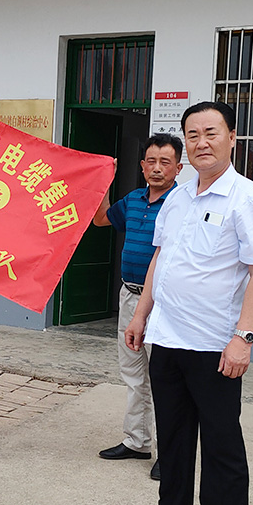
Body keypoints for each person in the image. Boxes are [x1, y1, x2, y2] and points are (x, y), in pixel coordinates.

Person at [122, 102, 253, 505]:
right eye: (193, 135)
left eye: (211, 132)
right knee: (172, 441)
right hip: (166, 339)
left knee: (221, 446)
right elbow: (160, 259)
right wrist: (140, 316)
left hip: (214, 346)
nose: (201, 142)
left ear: (232, 139)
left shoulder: (248, 199)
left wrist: (243, 339)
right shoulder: (178, 197)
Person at [93, 134, 183, 480]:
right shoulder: (132, 200)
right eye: (151, 161)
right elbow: (101, 219)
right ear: (142, 165)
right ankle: (136, 441)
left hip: (165, 302)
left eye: (165, 162)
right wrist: (102, 180)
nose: (157, 168)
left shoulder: (183, 204)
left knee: (164, 378)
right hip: (129, 297)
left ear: (178, 167)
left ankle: (169, 452)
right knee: (133, 374)